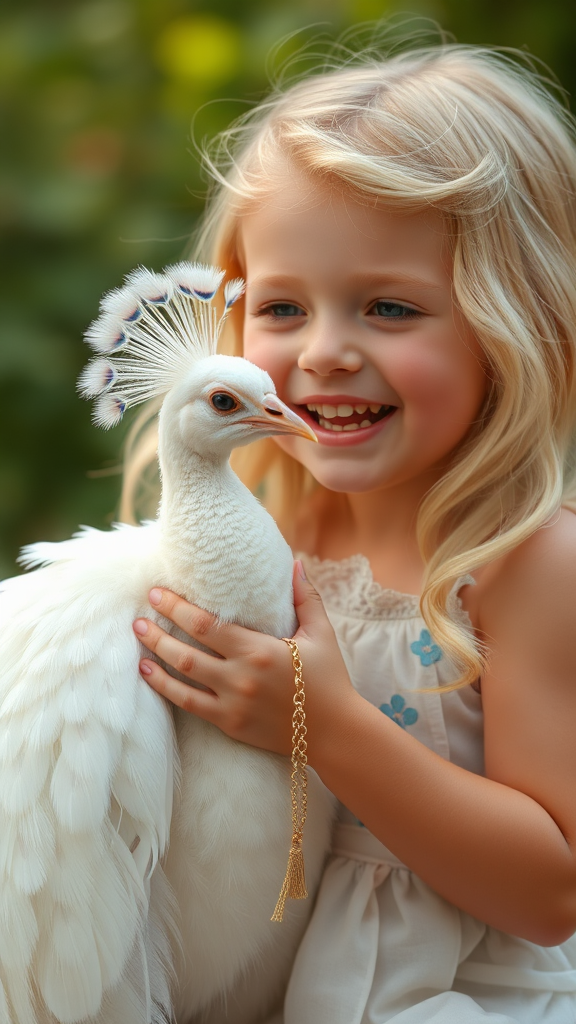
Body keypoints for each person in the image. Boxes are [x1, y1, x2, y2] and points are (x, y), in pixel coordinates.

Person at [130, 41, 576, 1023]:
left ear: (520, 321)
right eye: (283, 307)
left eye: (389, 307)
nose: (325, 353)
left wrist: (320, 719)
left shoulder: (523, 562)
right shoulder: (264, 519)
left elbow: (552, 891)